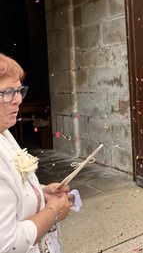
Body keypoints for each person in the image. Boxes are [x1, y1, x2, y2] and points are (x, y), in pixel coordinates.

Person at [0, 54, 73, 253]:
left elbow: (11, 189)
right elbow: (7, 244)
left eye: (18, 91)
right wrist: (53, 212)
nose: (18, 100)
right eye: (7, 92)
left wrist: (41, 192)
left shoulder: (4, 132)